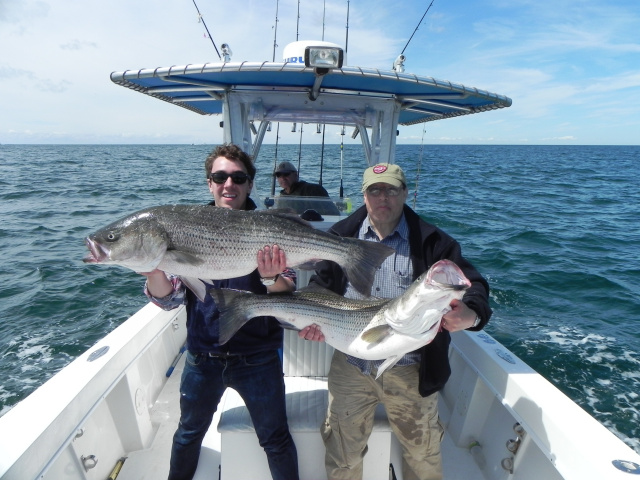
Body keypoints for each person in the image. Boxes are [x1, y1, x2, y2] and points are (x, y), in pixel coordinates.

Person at [298, 163, 492, 480]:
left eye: (391, 189)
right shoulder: (341, 237)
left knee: (422, 458)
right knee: (342, 457)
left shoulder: (433, 243)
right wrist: (314, 316)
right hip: (351, 365)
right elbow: (320, 286)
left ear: (405, 192)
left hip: (413, 369)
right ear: (364, 195)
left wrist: (470, 314)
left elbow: (474, 284)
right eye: (375, 190)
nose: (383, 197)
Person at [143, 144, 299, 480]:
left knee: (275, 439)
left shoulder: (269, 228)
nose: (229, 184)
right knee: (187, 435)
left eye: (238, 177)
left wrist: (271, 276)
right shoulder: (181, 228)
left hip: (258, 357)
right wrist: (154, 269)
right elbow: (169, 300)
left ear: (249, 184)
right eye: (220, 176)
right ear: (209, 183)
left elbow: (288, 294)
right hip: (203, 357)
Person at [274, 161, 341, 216]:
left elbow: (333, 214)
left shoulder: (313, 190)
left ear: (295, 175)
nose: (282, 178)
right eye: (278, 175)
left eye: (286, 174)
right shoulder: (281, 197)